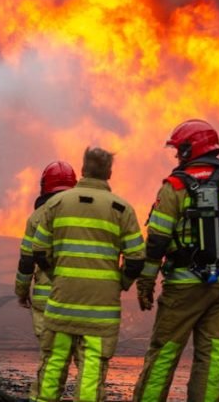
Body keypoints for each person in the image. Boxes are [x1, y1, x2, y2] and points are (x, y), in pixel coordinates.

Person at [132, 119, 219, 402]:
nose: (177, 157)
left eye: (179, 151)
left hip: (183, 288)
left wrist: (146, 283)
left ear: (191, 150)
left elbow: (157, 243)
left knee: (164, 354)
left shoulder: (174, 187)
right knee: (212, 358)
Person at [23, 147, 146, 402]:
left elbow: (39, 250)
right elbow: (136, 258)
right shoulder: (122, 210)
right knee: (91, 369)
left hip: (61, 305)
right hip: (101, 311)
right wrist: (119, 283)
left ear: (82, 169)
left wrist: (58, 276)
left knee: (54, 362)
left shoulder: (57, 204)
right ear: (109, 172)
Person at [14, 161, 82, 400]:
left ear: (44, 187)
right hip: (82, 299)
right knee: (87, 364)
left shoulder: (36, 217)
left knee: (52, 359)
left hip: (48, 301)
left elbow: (26, 261)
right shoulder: (84, 211)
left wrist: (21, 291)